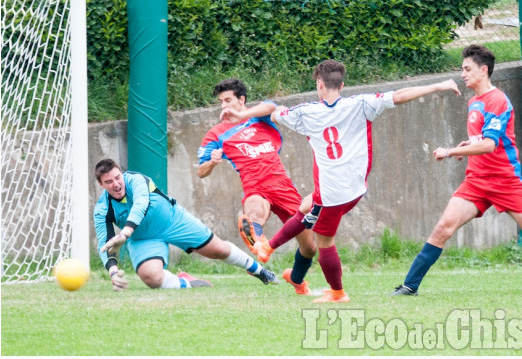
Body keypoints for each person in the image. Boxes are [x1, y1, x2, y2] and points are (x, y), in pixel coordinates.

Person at [392, 44, 522, 296]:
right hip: (477, 182)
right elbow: (482, 138)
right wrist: (466, 144)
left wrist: (450, 151)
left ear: (483, 71)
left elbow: (490, 145)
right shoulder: (474, 102)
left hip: (506, 181)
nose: (463, 74)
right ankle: (409, 286)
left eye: (467, 69)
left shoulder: (498, 100)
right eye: (462, 69)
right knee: (443, 227)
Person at [250, 59, 461, 302]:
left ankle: (337, 293)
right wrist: (437, 85)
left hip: (332, 193)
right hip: (355, 189)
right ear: (342, 85)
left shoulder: (306, 113)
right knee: (306, 206)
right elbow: (400, 95)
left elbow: (274, 113)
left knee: (324, 242)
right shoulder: (361, 104)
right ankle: (270, 250)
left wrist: (264, 112)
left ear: (319, 85)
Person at [197, 78, 317, 295]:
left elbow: (273, 107)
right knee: (254, 214)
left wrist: (241, 116)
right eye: (221, 102)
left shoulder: (258, 116)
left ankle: (297, 279)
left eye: (228, 100)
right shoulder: (215, 134)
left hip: (282, 184)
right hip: (254, 184)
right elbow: (200, 171)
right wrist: (211, 162)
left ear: (242, 100)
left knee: (309, 247)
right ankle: (257, 241)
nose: (223, 106)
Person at [94, 158, 279, 291]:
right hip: (144, 239)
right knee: (151, 278)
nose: (116, 184)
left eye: (118, 177)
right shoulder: (102, 209)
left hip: (173, 221)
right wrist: (113, 272)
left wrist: (125, 233)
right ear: (101, 185)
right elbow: (105, 244)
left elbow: (141, 204)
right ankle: (187, 283)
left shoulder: (135, 180)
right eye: (109, 182)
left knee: (219, 250)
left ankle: (261, 271)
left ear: (122, 173)